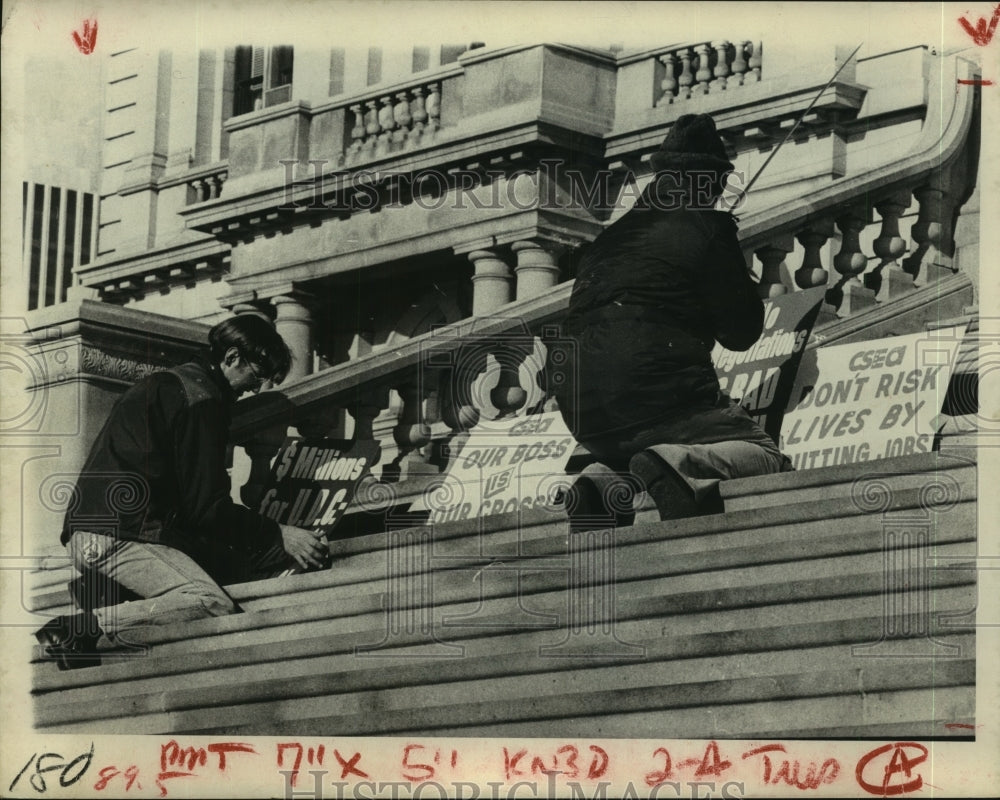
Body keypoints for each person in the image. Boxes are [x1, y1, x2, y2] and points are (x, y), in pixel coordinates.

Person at [35, 315, 328, 669]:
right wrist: (278, 533)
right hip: (124, 535)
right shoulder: (202, 398)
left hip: (86, 533)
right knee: (208, 602)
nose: (257, 388)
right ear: (232, 357)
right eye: (258, 373)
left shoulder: (163, 383)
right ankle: (81, 627)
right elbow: (207, 507)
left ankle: (90, 621)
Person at [554, 113, 792, 526]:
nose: (719, 194)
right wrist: (729, 255)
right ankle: (680, 466)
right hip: (657, 397)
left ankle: (602, 480)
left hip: (581, 411)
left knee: (638, 443)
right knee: (766, 453)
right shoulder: (707, 225)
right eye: (718, 184)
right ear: (708, 180)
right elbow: (742, 332)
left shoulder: (608, 238)